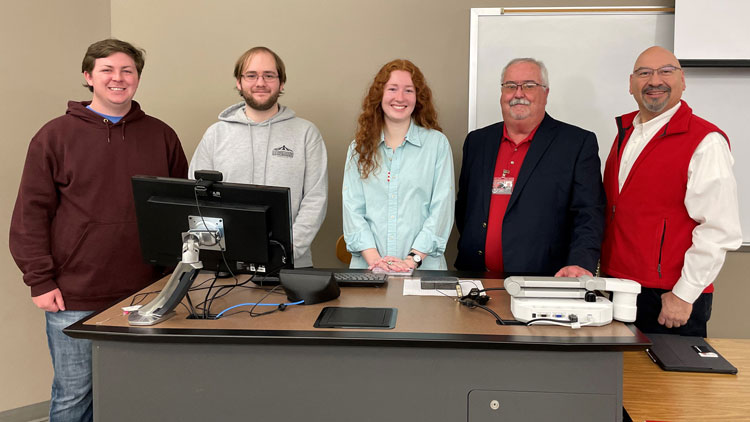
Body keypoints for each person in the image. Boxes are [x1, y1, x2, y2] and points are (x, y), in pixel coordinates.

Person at [9, 39, 188, 421]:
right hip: (73, 294)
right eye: (107, 70)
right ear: (88, 76)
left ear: (137, 79)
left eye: (128, 71)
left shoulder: (161, 135)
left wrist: (172, 281)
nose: (118, 78)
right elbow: (30, 214)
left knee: (138, 395)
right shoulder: (54, 136)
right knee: (74, 396)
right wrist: (39, 281)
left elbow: (179, 213)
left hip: (145, 294)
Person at [601, 46, 742, 337]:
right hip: (616, 287)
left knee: (671, 382)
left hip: (668, 297)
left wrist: (684, 294)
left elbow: (719, 229)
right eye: (644, 73)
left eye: (666, 71)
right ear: (631, 83)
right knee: (617, 380)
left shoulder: (706, 141)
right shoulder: (625, 133)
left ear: (683, 80)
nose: (654, 81)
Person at [455, 58, 605, 276]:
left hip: (544, 283)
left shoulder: (576, 144)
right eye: (510, 86)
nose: (518, 94)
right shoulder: (477, 142)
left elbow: (589, 213)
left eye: (529, 85)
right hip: (476, 280)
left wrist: (581, 263)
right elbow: (465, 209)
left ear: (545, 93)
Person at [189, 46, 327, 268]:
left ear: (281, 83)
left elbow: (315, 199)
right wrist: (226, 249)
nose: (260, 82)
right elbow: (198, 198)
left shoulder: (306, 133)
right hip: (227, 265)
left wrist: (286, 250)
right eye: (251, 75)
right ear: (239, 82)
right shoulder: (216, 134)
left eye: (269, 75)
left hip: (290, 263)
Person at [343, 59, 454, 271]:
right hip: (370, 268)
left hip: (423, 268)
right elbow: (352, 210)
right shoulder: (359, 148)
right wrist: (376, 261)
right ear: (379, 95)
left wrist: (412, 260)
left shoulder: (437, 145)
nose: (400, 98)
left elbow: (441, 210)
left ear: (418, 97)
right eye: (392, 89)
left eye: (409, 90)